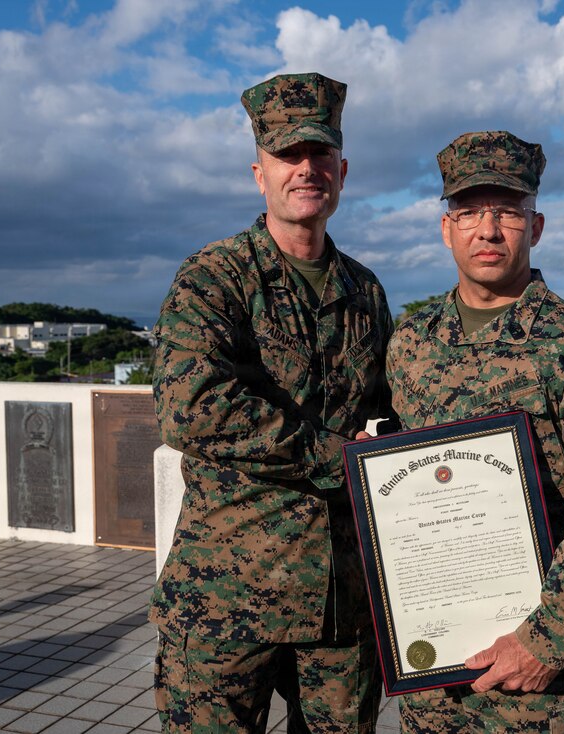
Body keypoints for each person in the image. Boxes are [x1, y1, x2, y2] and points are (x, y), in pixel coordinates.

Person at [388, 131, 564, 733]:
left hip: (535, 690)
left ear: (536, 227)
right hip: (430, 681)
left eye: (507, 211)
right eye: (468, 212)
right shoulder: (410, 343)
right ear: (445, 228)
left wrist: (545, 644)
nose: (487, 230)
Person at [150, 72, 393, 733]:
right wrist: (336, 458)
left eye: (320, 156)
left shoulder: (364, 292)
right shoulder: (216, 277)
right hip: (228, 596)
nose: (305, 170)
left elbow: (389, 403)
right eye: (289, 156)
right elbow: (191, 405)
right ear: (259, 172)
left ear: (342, 171)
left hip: (341, 602)